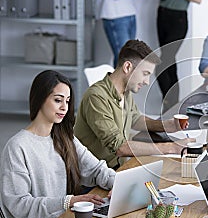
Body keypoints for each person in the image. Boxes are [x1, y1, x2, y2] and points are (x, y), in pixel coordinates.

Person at [0, 70, 115, 218]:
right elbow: (20, 206)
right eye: (57, 100)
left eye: (67, 101)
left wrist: (119, 185)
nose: (64, 107)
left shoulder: (64, 138)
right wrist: (67, 202)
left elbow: (96, 169)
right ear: (40, 99)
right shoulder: (17, 147)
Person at [74, 39, 193, 170]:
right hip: (95, 177)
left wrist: (166, 126)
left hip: (118, 168)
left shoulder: (125, 91)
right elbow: (120, 147)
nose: (147, 82)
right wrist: (172, 148)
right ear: (127, 67)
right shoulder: (96, 97)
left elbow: (135, 119)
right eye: (145, 74)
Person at [153, 0, 201, 111]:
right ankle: (174, 110)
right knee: (170, 64)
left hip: (178, 18)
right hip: (162, 14)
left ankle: (169, 108)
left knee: (161, 65)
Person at [95, 0, 139, 68]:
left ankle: (125, 82)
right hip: (114, 17)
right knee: (123, 57)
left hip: (130, 14)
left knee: (130, 56)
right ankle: (118, 82)